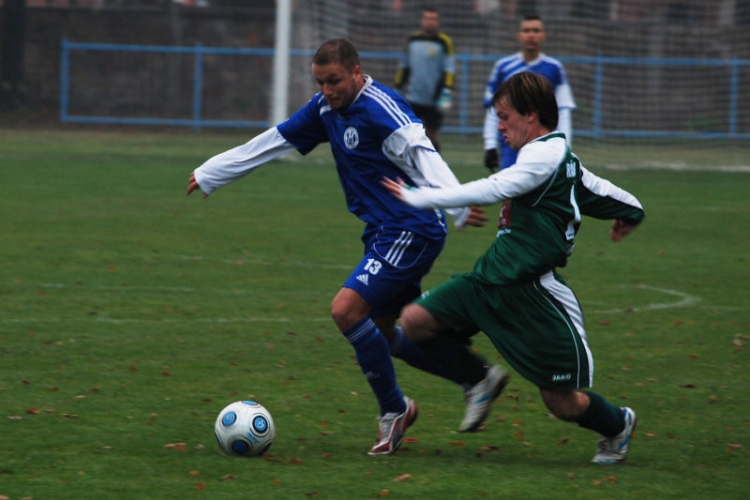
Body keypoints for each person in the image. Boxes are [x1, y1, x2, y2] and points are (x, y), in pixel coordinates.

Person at [186, 39, 496, 456]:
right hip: (385, 229)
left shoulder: (381, 108)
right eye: (320, 82)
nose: (327, 90)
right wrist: (212, 172)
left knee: (346, 311)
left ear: (355, 72)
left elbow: (423, 153)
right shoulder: (324, 110)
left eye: (334, 81)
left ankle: (394, 411)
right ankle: (477, 377)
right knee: (385, 335)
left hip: (412, 225)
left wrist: (457, 202)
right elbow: (273, 141)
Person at [383, 72, 644, 464]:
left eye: (505, 117)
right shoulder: (558, 157)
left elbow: (493, 188)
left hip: (532, 294)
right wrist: (632, 212)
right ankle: (479, 378)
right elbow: (600, 190)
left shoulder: (543, 155)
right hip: (489, 281)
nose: (500, 126)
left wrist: (421, 196)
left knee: (562, 403)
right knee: (416, 319)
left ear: (532, 115)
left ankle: (617, 424)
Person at [483, 13, 576, 172]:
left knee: (542, 194)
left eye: (535, 30)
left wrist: (565, 145)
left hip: (545, 146)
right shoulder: (503, 67)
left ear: (543, 36)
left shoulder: (554, 69)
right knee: (510, 194)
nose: (531, 35)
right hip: (511, 144)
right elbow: (494, 110)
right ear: (519, 36)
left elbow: (563, 109)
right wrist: (490, 144)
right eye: (526, 31)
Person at [394, 7, 455, 152]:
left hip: (434, 98)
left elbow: (449, 69)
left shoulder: (444, 42)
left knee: (432, 136)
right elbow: (404, 66)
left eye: (433, 19)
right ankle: (409, 169)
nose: (430, 22)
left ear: (438, 22)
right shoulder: (412, 40)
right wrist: (397, 86)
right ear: (422, 21)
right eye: (427, 18)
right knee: (409, 134)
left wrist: (446, 90)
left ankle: (435, 169)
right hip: (413, 96)